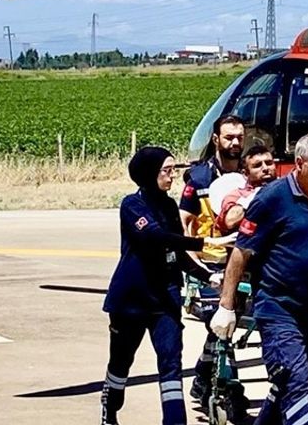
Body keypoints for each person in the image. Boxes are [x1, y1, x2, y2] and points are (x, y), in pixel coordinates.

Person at [212, 134, 308, 425]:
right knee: (294, 376)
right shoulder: (272, 199)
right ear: (300, 164)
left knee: (293, 378)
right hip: (278, 307)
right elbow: (241, 252)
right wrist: (226, 306)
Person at [101, 146, 236, 425]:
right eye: (167, 170)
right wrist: (205, 242)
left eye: (174, 169)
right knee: (121, 362)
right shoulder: (131, 205)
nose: (172, 175)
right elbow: (155, 237)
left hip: (165, 300)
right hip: (131, 300)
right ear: (150, 174)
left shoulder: (168, 206)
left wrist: (206, 275)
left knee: (171, 365)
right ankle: (110, 408)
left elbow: (175, 254)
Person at [184, 115, 246, 402]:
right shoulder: (198, 178)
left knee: (226, 326)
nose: (235, 143)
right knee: (219, 322)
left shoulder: (249, 175)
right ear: (216, 140)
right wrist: (194, 266)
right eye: (229, 137)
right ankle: (230, 387)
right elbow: (184, 224)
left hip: (239, 262)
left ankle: (201, 375)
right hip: (208, 264)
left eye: (239, 137)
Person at [216, 144, 278, 234]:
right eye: (257, 165)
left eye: (269, 163)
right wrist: (256, 196)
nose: (265, 168)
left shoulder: (285, 189)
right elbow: (230, 221)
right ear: (246, 173)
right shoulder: (236, 195)